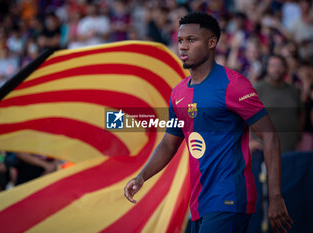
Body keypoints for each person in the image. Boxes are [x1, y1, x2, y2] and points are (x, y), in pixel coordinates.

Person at [124, 12, 292, 233]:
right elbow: (168, 143)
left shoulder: (234, 85)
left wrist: (275, 196)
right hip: (199, 201)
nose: (183, 47)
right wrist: (141, 176)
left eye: (191, 40)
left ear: (212, 42)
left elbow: (270, 137)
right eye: (180, 41)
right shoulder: (179, 93)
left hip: (229, 197)